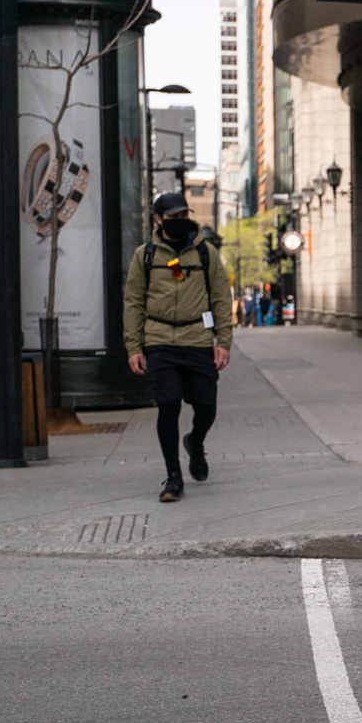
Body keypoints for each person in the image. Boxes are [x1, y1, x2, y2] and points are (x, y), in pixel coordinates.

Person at [123, 190, 235, 502]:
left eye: (183, 216)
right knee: (168, 406)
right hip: (159, 342)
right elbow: (133, 302)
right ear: (158, 220)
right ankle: (174, 477)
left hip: (198, 339)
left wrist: (222, 340)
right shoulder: (144, 256)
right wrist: (134, 346)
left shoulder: (205, 253)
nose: (179, 222)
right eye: (172, 217)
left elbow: (221, 298)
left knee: (206, 407)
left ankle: (195, 442)